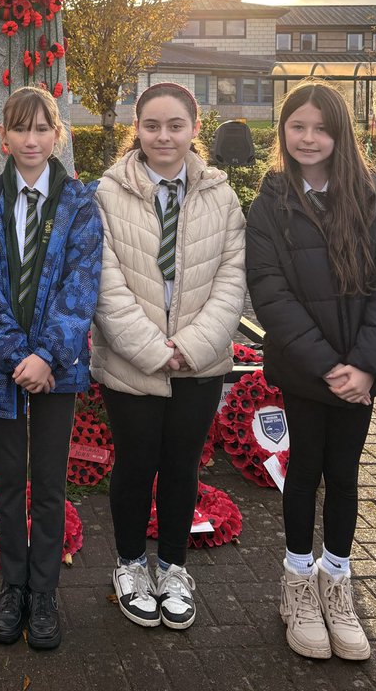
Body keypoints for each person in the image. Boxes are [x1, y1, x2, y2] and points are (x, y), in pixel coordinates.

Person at [246, 82, 376, 662]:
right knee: (305, 471)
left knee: (344, 473)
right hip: (305, 370)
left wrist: (365, 366)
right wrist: (326, 367)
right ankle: (297, 583)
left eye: (321, 128)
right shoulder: (271, 200)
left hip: (361, 372)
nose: (309, 138)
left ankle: (336, 581)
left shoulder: (372, 196)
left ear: (340, 134)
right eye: (298, 127)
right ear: (284, 131)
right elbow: (268, 290)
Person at [92, 82, 245, 632]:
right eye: (152, 125)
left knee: (182, 467)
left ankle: (175, 569)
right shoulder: (107, 193)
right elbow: (105, 283)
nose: (163, 136)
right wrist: (153, 349)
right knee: (135, 465)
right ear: (138, 128)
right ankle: (131, 565)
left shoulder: (220, 195)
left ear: (194, 129)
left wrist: (190, 348)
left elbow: (232, 278)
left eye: (175, 125)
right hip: (131, 362)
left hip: (200, 364)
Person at [0, 86, 102, 650]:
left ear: (57, 134)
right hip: (1, 373)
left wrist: (47, 355)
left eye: (42, 128)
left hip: (58, 371)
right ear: (3, 137)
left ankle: (44, 592)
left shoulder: (80, 204)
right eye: (21, 129)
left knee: (48, 484)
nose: (32, 139)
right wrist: (18, 358)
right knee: (8, 487)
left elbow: (80, 286)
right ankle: (12, 587)